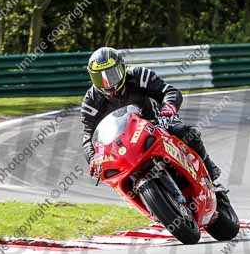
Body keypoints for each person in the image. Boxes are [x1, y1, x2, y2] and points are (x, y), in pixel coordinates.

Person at [81, 47, 229, 204]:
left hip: (157, 122)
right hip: (122, 143)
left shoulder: (138, 75)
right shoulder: (90, 103)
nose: (107, 83)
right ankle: (151, 203)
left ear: (122, 69)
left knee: (186, 132)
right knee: (114, 171)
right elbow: (87, 136)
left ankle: (211, 173)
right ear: (92, 78)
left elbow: (170, 92)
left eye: (111, 75)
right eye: (100, 78)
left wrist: (167, 110)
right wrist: (92, 158)